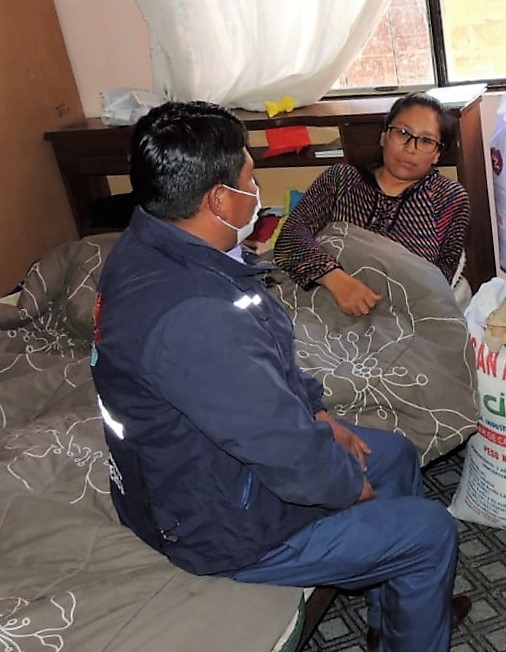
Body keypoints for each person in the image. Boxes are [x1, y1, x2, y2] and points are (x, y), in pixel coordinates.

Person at [90, 101, 469, 652]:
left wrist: (317, 411)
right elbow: (280, 448)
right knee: (430, 531)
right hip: (219, 522)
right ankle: (411, 612)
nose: (257, 188)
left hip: (216, 470)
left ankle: (398, 613)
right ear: (219, 199)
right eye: (249, 175)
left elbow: (266, 362)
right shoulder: (191, 316)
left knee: (395, 454)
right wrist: (347, 488)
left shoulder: (164, 246)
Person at [273, 92, 470, 317]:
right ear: (384, 137)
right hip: (322, 300)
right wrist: (336, 280)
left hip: (400, 317)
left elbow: (440, 279)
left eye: (426, 141)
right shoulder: (340, 179)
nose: (410, 148)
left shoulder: (449, 198)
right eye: (403, 133)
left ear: (437, 154)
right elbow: (290, 237)